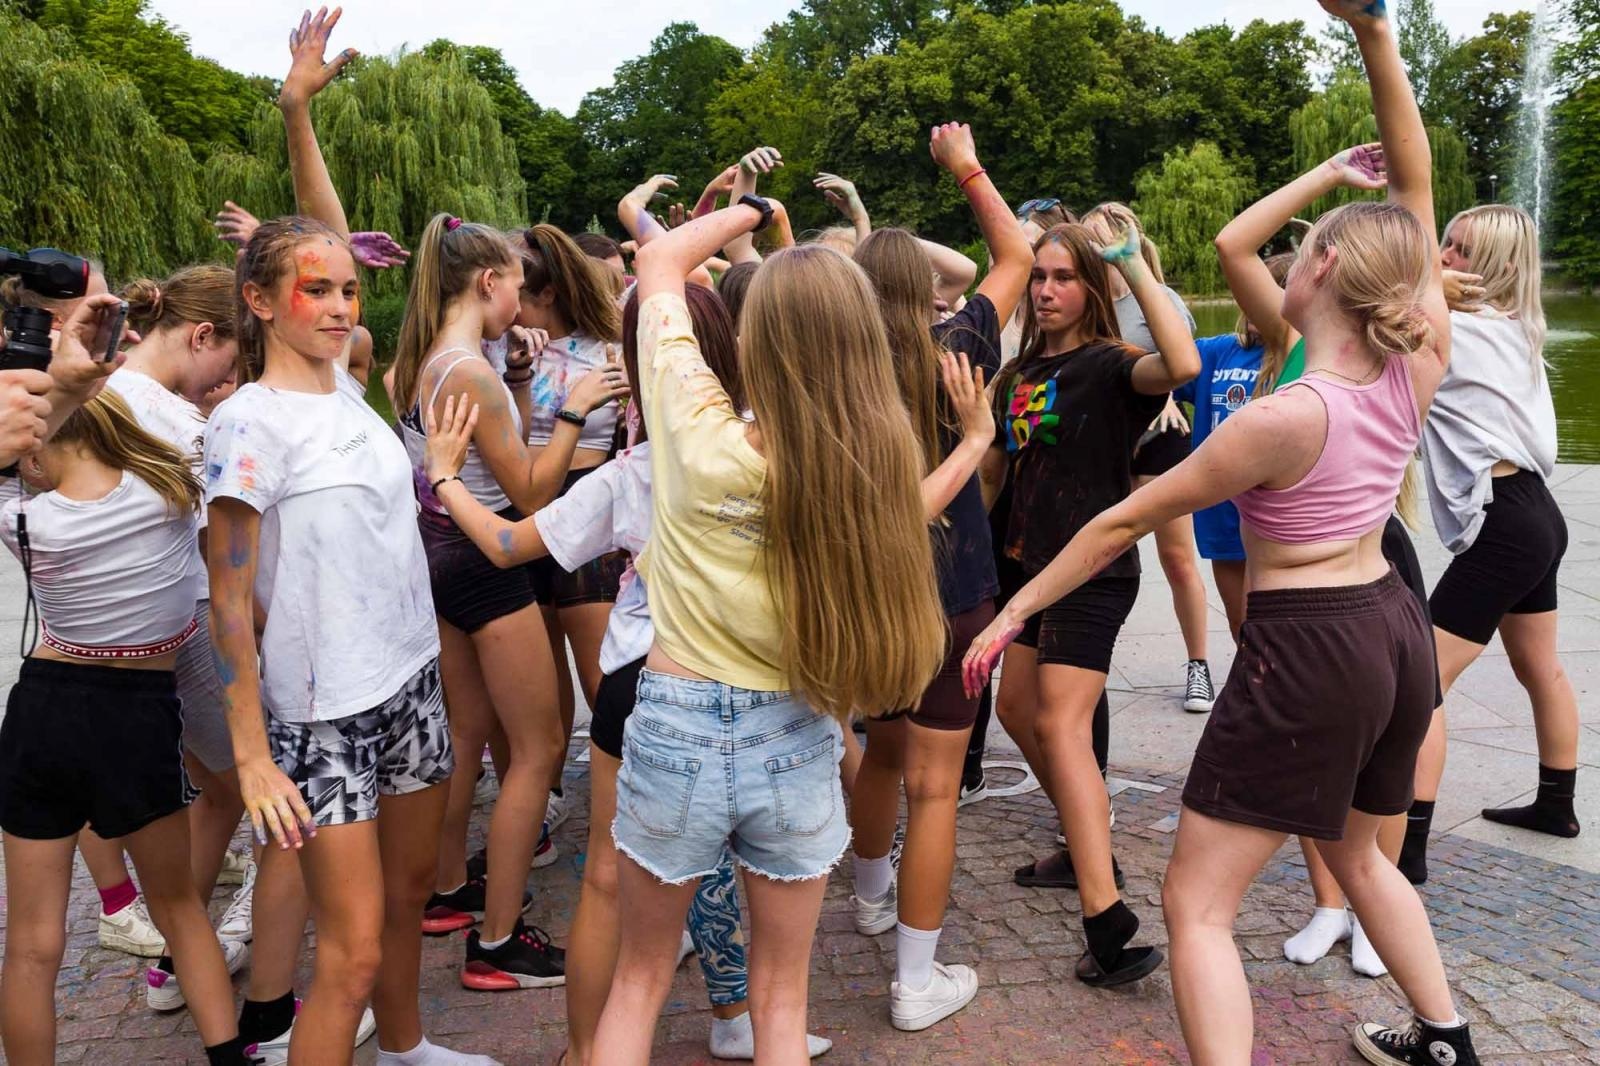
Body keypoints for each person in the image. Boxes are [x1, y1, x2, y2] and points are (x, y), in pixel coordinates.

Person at [965, 4, 1480, 1060]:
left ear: (1325, 271)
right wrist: (1376, 41)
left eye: (1306, 248)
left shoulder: (1278, 419)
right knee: (1359, 848)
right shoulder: (1409, 364)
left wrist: (1012, 605)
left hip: (1312, 647)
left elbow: (1116, 522)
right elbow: (1417, 195)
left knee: (1195, 900)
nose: (1287, 256)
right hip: (1389, 622)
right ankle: (1445, 1037)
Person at [423, 284, 832, 1064]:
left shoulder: (637, 470)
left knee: (614, 898)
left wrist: (444, 478)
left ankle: (585, 1051)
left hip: (641, 685)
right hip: (762, 690)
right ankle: (732, 1010)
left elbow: (509, 546)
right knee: (775, 958)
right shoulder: (792, 455)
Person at [588, 196, 947, 1064]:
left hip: (675, 719)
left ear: (754, 343)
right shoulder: (878, 458)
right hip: (796, 731)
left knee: (637, 983)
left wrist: (745, 207)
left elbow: (658, 263)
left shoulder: (696, 432)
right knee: (782, 997)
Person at [207, 207, 493, 1066]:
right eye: (316, 290)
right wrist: (252, 754)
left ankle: (406, 1048)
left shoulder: (346, 388)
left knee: (408, 895)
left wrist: (435, 468)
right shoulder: (249, 422)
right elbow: (225, 600)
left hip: (408, 682)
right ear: (257, 300)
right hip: (324, 714)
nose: (339, 306)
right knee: (351, 953)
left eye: (348, 289)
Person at [394, 212, 625, 990]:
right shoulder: (472, 371)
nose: (520, 305)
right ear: (488, 282)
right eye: (515, 287)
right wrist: (574, 406)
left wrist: (524, 383)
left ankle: (448, 888)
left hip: (438, 557)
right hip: (486, 565)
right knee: (539, 749)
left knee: (467, 733)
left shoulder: (430, 358)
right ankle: (497, 943)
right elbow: (529, 490)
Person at [0, 381, 253, 1066]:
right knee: (179, 907)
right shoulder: (172, 492)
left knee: (30, 943)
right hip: (137, 714)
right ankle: (228, 1057)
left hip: (43, 708)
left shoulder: (27, 519)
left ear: (36, 451)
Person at [846, 121, 1034, 1031]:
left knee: (881, 750)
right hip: (956, 591)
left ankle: (869, 893)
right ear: (923, 288)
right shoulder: (959, 344)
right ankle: (916, 981)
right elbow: (1015, 252)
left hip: (876, 596)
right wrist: (964, 166)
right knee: (934, 785)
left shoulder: (833, 371)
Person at [977, 214, 1199, 984]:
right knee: (1016, 715)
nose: (1044, 290)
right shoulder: (1016, 376)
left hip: (1094, 572)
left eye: (1063, 277)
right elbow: (1000, 477)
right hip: (1024, 572)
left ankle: (1106, 921)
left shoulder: (1113, 367)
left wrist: (1135, 264)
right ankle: (1085, 836)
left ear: (1091, 288)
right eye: (1037, 276)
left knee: (1061, 726)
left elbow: (1182, 363)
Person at [1, 257, 174, 961]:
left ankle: (120, 901)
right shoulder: (30, 402)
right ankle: (118, 901)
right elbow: (35, 462)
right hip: (89, 673)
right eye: (90, 300)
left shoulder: (71, 389)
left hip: (87, 679)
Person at [1407, 203, 1578, 877]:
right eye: (1444, 243)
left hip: (1509, 524)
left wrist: (1421, 289)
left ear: (1498, 268)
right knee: (1541, 668)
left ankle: (1407, 848)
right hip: (1535, 514)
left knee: (1419, 677)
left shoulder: (1458, 332)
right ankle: (1556, 805)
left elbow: (1369, 308)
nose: (1443, 258)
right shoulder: (1517, 328)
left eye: (1461, 252)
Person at [104, 265, 256, 1004]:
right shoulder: (179, 423)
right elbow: (221, 551)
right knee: (265, 796)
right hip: (193, 628)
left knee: (219, 795)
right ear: (202, 335)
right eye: (225, 365)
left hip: (134, 638)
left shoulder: (102, 393)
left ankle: (174, 957)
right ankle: (252, 965)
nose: (222, 384)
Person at [507, 223, 628, 831]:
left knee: (597, 669)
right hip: (523, 507)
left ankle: (632, 787)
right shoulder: (503, 347)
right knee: (542, 664)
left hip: (590, 507)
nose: (507, 305)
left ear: (548, 293)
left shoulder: (606, 345)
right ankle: (549, 792)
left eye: (518, 294)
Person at [1081, 202, 1213, 713]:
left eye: (1104, 239)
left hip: (1160, 436)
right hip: (1103, 443)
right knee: (1097, 554)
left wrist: (1162, 399)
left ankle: (1198, 665)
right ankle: (1085, 660)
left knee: (1177, 557)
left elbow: (1180, 359)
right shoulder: (1086, 303)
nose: (1098, 250)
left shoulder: (1156, 298)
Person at [1171, 254, 1294, 637]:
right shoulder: (1216, 351)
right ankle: (1254, 694)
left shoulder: (1302, 357)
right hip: (1223, 515)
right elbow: (1164, 371)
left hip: (1278, 517)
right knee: (1243, 626)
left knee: (1279, 628)